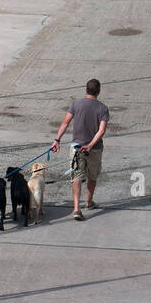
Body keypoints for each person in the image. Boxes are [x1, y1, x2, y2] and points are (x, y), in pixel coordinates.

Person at [52, 78, 110, 220]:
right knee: (92, 176)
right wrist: (90, 145)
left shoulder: (76, 103)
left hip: (76, 148)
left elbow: (65, 123)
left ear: (86, 90)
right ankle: (89, 202)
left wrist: (57, 140)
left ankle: (77, 208)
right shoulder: (102, 108)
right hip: (94, 149)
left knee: (76, 177)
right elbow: (101, 130)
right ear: (99, 91)